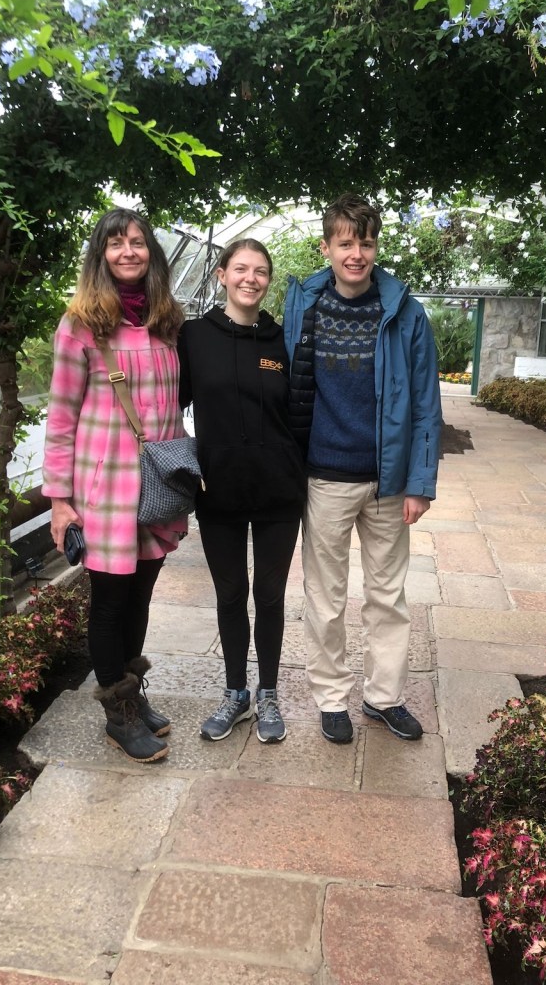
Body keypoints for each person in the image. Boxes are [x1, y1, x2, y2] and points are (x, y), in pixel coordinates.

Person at [283, 193, 442, 744]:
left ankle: (384, 697)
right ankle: (331, 698)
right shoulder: (302, 305)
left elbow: (426, 403)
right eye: (345, 242)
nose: (356, 254)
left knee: (388, 595)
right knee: (324, 597)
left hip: (388, 481)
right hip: (324, 477)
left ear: (376, 247)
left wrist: (419, 483)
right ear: (326, 247)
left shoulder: (406, 312)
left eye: (366, 242)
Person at [42, 207, 187, 763]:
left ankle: (132, 690)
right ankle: (118, 715)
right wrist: (60, 500)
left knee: (142, 594)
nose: (129, 252)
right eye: (116, 244)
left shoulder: (165, 321)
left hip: (156, 485)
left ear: (151, 252)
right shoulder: (80, 324)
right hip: (104, 488)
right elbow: (60, 417)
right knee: (109, 600)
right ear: (100, 255)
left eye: (138, 243)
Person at [178, 239, 306, 744]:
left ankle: (269, 693)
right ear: (221, 275)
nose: (250, 278)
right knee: (230, 593)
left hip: (279, 491)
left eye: (260, 272)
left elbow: (302, 409)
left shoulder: (283, 340)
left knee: (270, 594)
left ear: (268, 280)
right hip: (219, 491)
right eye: (241, 269)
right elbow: (169, 403)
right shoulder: (194, 336)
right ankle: (236, 692)